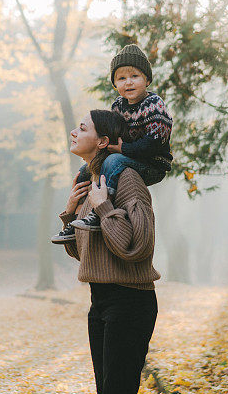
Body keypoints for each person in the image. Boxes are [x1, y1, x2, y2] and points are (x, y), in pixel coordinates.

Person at [58, 109, 161, 394]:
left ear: (103, 141)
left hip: (130, 302)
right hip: (99, 301)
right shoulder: (93, 182)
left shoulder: (127, 179)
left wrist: (103, 208)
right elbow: (84, 253)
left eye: (82, 128)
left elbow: (137, 247)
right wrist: (70, 214)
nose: (73, 133)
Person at [51, 43, 173, 244]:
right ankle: (75, 222)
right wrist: (99, 150)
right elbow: (113, 133)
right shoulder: (118, 105)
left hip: (152, 164)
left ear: (147, 79)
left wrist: (123, 149)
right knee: (86, 170)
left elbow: (154, 143)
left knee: (114, 161)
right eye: (121, 78)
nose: (128, 83)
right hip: (125, 156)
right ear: (115, 84)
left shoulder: (154, 105)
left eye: (135, 76)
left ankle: (100, 211)